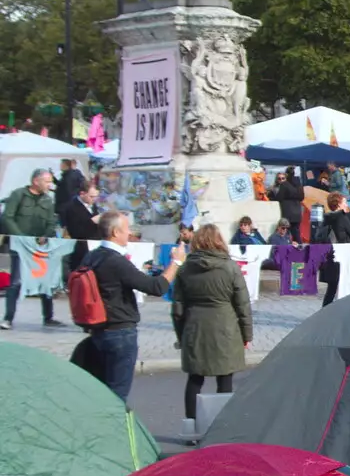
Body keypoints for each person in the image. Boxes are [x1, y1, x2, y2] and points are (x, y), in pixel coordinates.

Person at [79, 211, 184, 401]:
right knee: (117, 394)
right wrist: (176, 262)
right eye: (127, 229)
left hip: (97, 330)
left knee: (100, 391)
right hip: (119, 332)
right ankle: (114, 428)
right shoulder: (116, 261)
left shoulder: (92, 257)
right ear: (115, 232)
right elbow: (156, 287)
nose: (130, 234)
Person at [171, 223, 251, 438]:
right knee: (225, 379)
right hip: (225, 327)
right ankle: (219, 429)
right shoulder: (230, 267)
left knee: (195, 379)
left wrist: (181, 335)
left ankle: (191, 427)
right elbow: (242, 305)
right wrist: (247, 334)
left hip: (195, 327)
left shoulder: (185, 269)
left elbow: (177, 308)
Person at [1, 168, 63, 330]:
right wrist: (20, 237)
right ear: (36, 181)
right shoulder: (18, 195)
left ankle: (48, 317)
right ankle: (8, 318)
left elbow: (51, 222)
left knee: (45, 281)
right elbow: (8, 217)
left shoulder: (48, 200)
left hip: (39, 247)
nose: (50, 185)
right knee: (16, 282)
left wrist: (46, 235)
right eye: (47, 181)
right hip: (19, 246)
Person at [317, 193, 350, 305]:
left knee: (331, 289)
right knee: (343, 288)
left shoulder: (327, 217)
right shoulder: (341, 217)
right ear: (339, 204)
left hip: (329, 257)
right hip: (342, 257)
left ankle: (325, 313)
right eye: (345, 202)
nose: (347, 204)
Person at [60, 181, 101, 274]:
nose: (94, 199)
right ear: (82, 194)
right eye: (91, 196)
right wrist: (92, 222)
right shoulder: (71, 208)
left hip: (94, 246)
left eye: (96, 196)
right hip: (81, 250)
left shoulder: (93, 205)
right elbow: (75, 232)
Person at [271, 167, 305, 239]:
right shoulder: (299, 184)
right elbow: (302, 197)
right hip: (297, 213)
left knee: (285, 235)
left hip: (287, 213)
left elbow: (279, 198)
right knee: (296, 234)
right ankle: (299, 248)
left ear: (286, 174)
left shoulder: (285, 185)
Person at [54, 157, 85, 223]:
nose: (60, 166)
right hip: (66, 204)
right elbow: (61, 185)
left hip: (65, 205)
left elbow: (67, 191)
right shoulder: (66, 175)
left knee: (65, 224)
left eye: (62, 165)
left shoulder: (69, 176)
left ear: (66, 166)